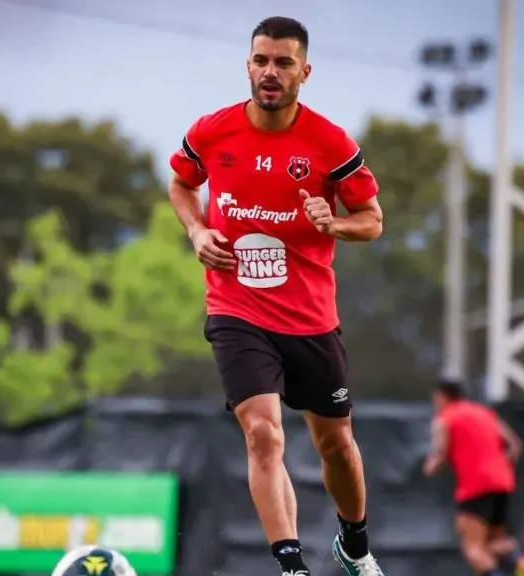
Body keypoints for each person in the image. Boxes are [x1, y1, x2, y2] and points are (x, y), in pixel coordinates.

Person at [165, 15, 386, 576]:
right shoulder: (213, 132)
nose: (270, 72)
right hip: (236, 310)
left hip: (310, 318)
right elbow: (182, 184)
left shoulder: (330, 143)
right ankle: (292, 566)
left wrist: (334, 223)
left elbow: (373, 220)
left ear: (304, 72)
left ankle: (354, 545)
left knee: (335, 445)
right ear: (248, 66)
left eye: (283, 63)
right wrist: (196, 229)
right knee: (264, 434)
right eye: (261, 60)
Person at [424, 380, 524, 576]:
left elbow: (441, 452)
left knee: (473, 548)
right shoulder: (484, 412)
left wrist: (430, 468)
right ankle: (522, 560)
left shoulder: (445, 418)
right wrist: (499, 466)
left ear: (442, 397)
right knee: (497, 541)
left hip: (474, 487)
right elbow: (515, 445)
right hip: (502, 482)